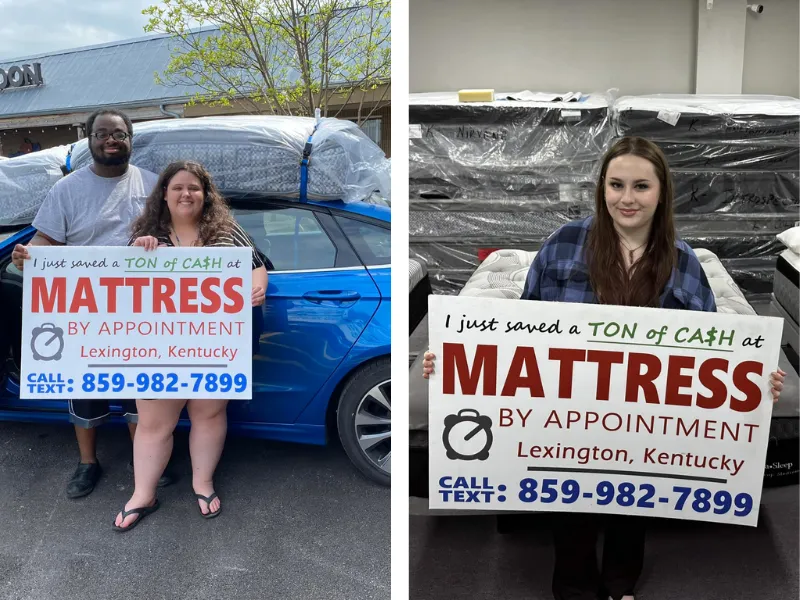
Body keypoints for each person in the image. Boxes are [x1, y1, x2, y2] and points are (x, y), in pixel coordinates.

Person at [421, 136, 786, 600]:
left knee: (634, 502)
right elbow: (520, 328)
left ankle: (620, 584)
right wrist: (457, 359)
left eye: (640, 186)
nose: (627, 198)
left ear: (661, 192)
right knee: (569, 504)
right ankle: (573, 588)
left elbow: (714, 351)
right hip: (571, 414)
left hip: (645, 419)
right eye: (616, 185)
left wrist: (755, 377)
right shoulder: (564, 244)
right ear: (602, 188)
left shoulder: (684, 261)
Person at [12, 109, 177, 498]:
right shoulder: (66, 190)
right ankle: (88, 463)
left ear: (130, 139)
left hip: (142, 309)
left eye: (118, 133)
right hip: (83, 311)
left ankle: (144, 459)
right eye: (102, 133)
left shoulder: (154, 186)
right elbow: (46, 242)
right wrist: (28, 254)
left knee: (141, 388)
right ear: (90, 140)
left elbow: (174, 241)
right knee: (84, 387)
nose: (110, 139)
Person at [112, 160, 268, 532]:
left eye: (194, 188)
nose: (186, 194)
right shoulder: (146, 234)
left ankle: (203, 483)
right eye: (178, 187)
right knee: (153, 423)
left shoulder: (227, 230)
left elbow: (257, 265)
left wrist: (258, 287)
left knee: (208, 414)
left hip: (216, 344)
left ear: (205, 194)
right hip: (157, 348)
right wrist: (136, 253)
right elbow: (116, 285)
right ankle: (143, 494)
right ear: (164, 194)